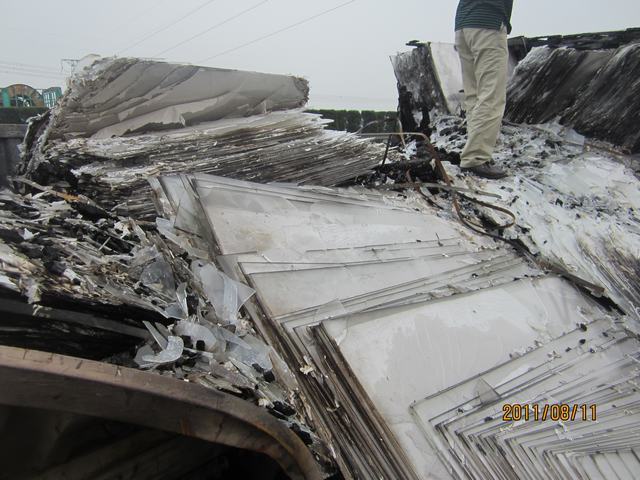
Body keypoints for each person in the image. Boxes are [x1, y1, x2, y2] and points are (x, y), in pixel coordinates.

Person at [455, 0, 513, 179]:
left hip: (463, 25)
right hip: (488, 24)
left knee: (474, 95)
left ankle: (474, 151)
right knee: (491, 95)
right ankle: (475, 158)